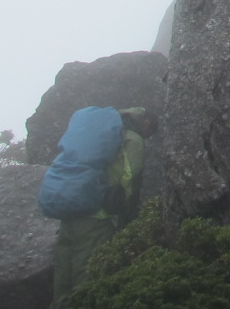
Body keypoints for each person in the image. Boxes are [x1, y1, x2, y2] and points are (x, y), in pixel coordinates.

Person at [51, 107, 157, 308]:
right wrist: (123, 206)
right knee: (86, 273)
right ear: (146, 123)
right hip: (97, 216)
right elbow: (129, 175)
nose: (148, 136)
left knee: (62, 273)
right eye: (150, 132)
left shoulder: (104, 133)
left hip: (70, 210)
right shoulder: (133, 139)